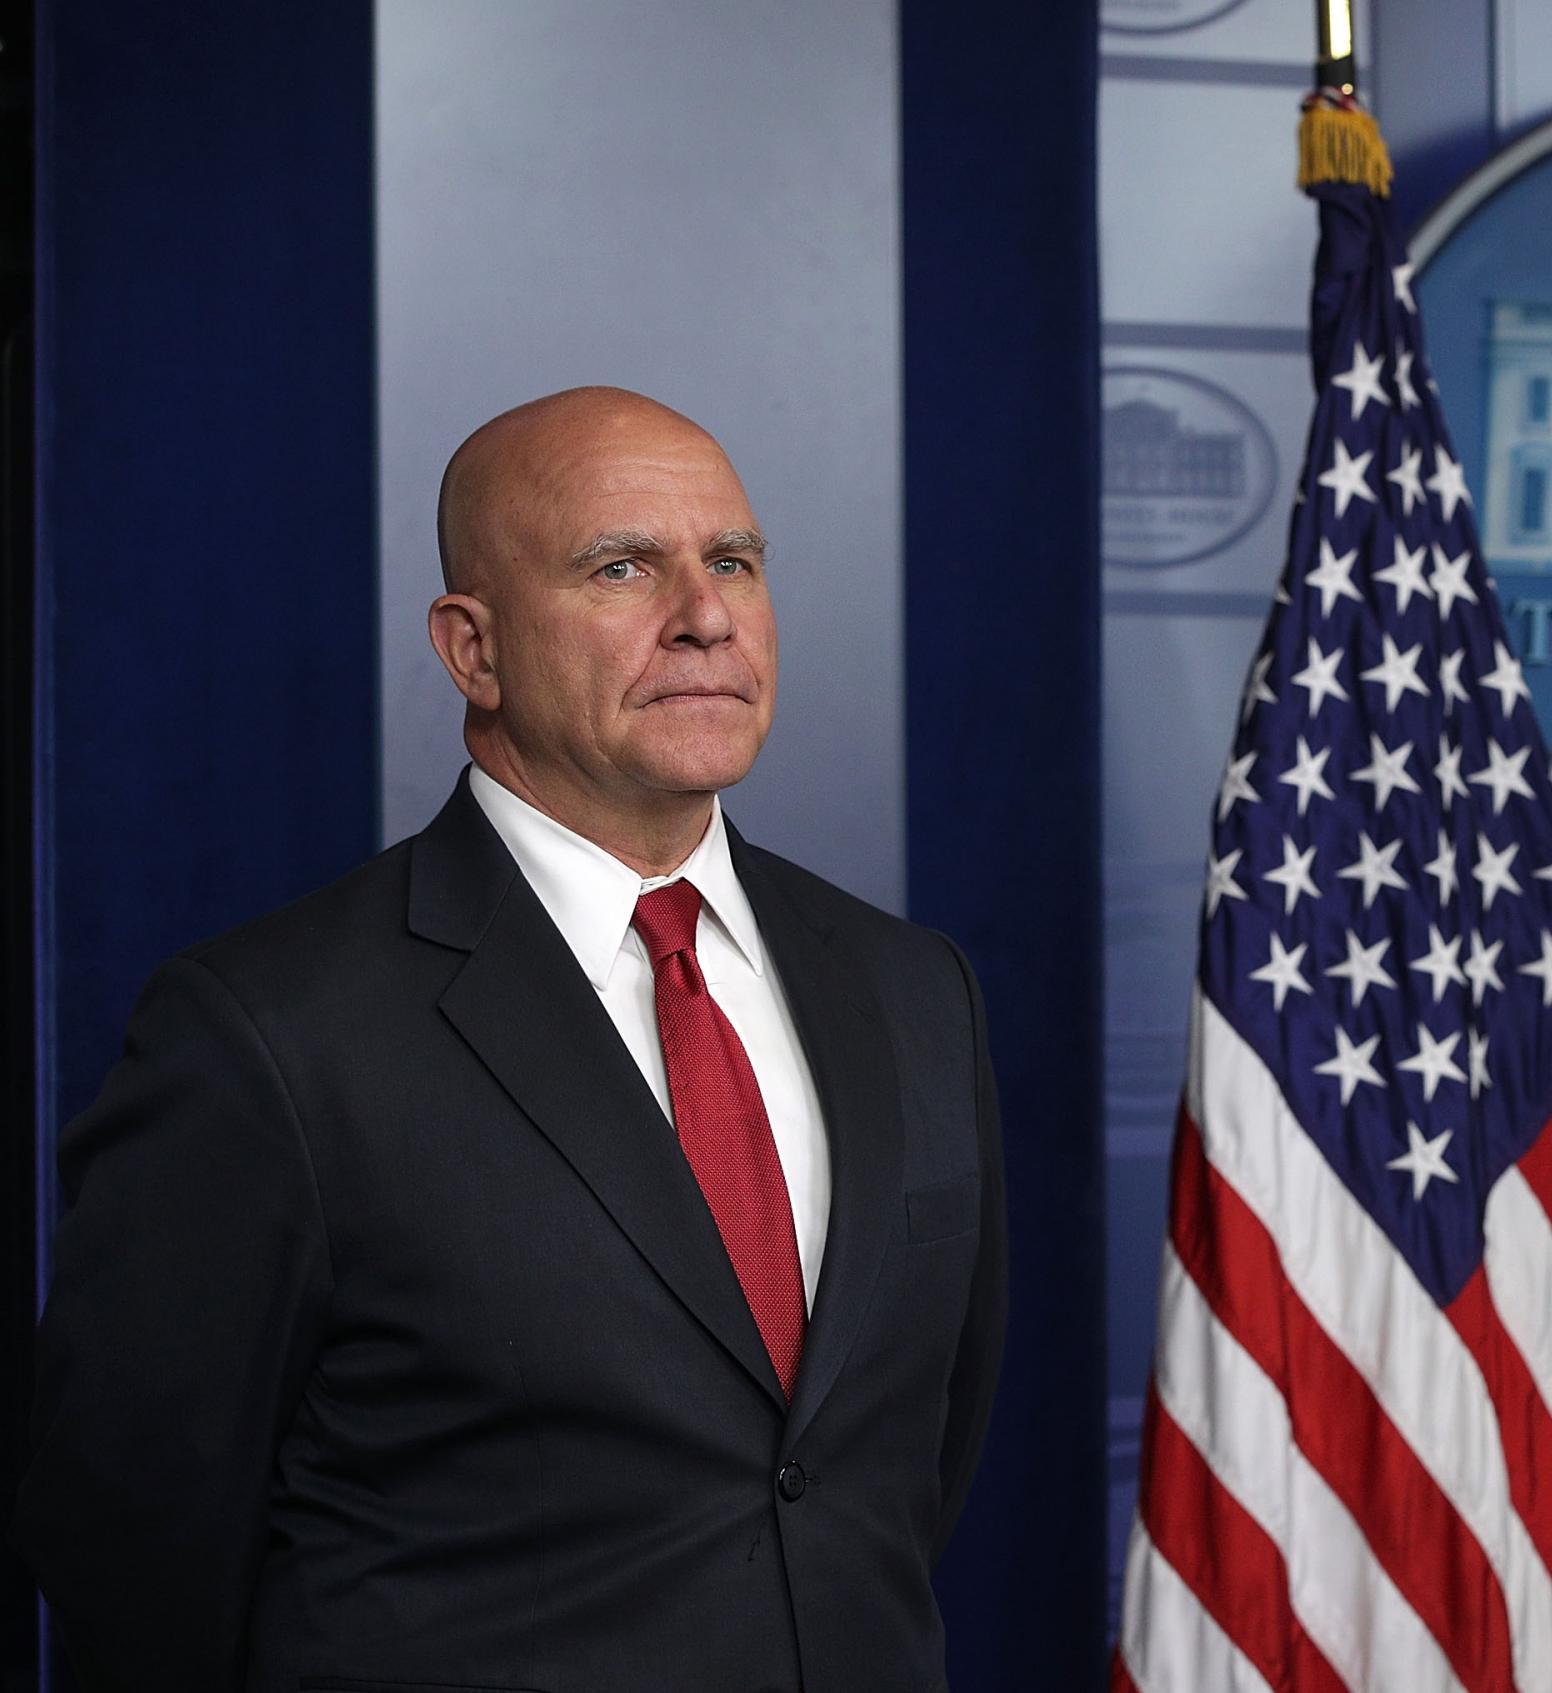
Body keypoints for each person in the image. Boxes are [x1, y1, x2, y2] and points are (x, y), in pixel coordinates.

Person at [13, 387, 1006, 1691]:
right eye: (622, 566)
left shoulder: (913, 986)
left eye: (735, 562)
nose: (705, 614)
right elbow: (134, 1552)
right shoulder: (268, 1034)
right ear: (472, 649)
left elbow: (891, 1470)